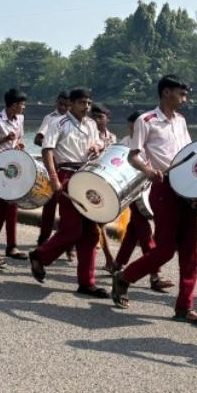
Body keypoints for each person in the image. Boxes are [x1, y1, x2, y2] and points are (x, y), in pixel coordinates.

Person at [112, 75, 197, 327]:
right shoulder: (145, 121)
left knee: (191, 251)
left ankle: (185, 307)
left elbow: (188, 153)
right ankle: (125, 277)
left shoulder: (181, 120)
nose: (185, 98)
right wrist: (147, 170)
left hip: (186, 187)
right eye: (181, 93)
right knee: (166, 249)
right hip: (163, 188)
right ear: (166, 92)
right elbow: (133, 156)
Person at [27, 88, 108, 298]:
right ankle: (40, 255)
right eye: (82, 102)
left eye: (88, 103)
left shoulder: (90, 124)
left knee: (91, 232)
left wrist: (96, 148)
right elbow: (47, 150)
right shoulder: (59, 123)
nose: (86, 107)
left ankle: (86, 282)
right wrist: (54, 178)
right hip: (66, 174)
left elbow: (97, 144)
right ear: (71, 104)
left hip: (87, 174)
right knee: (72, 228)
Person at [113, 110, 173, 292]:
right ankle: (155, 275)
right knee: (145, 233)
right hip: (133, 191)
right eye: (132, 126)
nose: (135, 130)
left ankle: (118, 264)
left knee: (134, 230)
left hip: (149, 190)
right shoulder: (124, 144)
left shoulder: (149, 142)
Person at [0, 88, 29, 264]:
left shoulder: (20, 119)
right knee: (4, 207)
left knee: (12, 207)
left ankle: (10, 244)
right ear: (13, 105)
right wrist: (4, 140)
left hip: (14, 167)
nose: (24, 107)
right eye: (21, 104)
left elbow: (20, 139)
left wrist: (19, 144)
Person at [36, 91, 70, 245]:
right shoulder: (50, 118)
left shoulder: (75, 121)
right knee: (49, 205)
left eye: (66, 105)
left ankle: (66, 240)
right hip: (53, 165)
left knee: (68, 207)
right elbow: (38, 139)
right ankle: (44, 238)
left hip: (69, 167)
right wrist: (51, 148)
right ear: (57, 102)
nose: (63, 107)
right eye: (61, 104)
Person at [90, 102, 118, 271]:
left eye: (100, 117)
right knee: (99, 222)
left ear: (107, 119)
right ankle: (109, 259)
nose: (97, 120)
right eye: (94, 117)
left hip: (105, 181)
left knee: (99, 221)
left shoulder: (112, 138)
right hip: (91, 180)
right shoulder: (88, 135)